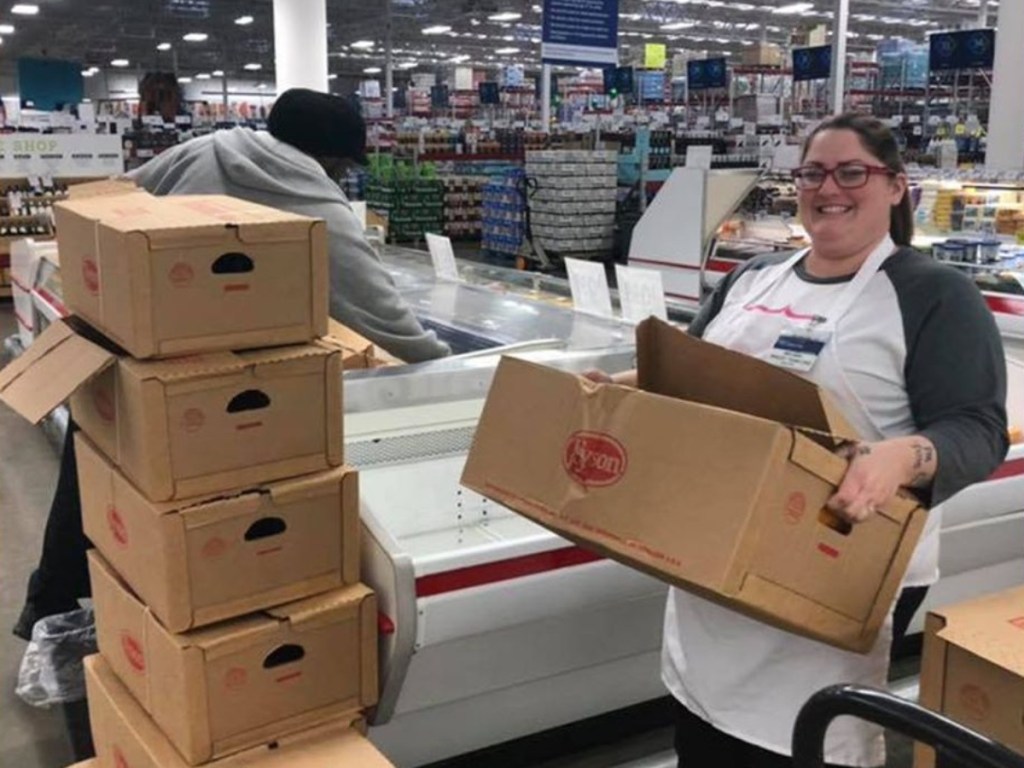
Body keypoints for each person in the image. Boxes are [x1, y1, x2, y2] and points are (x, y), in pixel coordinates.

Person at [587, 113, 1008, 767]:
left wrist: (901, 457)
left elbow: (978, 428)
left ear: (897, 186)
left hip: (839, 562)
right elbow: (690, 373)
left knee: (808, 741)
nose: (828, 187)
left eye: (851, 172)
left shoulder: (933, 296)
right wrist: (617, 386)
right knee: (704, 732)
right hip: (712, 558)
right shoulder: (753, 278)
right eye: (813, 172)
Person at [129, 87, 449, 364]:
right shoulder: (319, 207)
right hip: (243, 369)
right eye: (345, 167)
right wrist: (442, 360)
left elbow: (102, 200)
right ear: (332, 159)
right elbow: (377, 313)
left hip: (150, 343)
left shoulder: (200, 149)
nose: (342, 177)